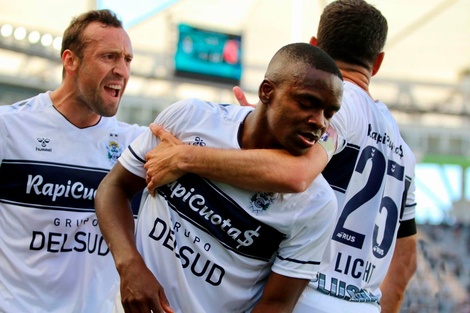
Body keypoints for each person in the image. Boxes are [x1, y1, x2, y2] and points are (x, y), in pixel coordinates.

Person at [143, 1, 417, 312]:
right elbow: (406, 261)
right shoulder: (403, 151)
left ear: (314, 47)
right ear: (378, 62)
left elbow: (296, 174)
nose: (319, 118)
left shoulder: (343, 105)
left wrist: (183, 156)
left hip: (305, 296)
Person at [94, 42, 343, 313]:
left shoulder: (317, 203)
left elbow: (276, 305)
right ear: (267, 92)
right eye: (307, 104)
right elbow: (114, 188)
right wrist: (130, 265)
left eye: (329, 114)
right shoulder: (190, 119)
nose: (319, 122)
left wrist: (185, 159)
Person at [0, 9, 146, 312]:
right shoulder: (9, 128)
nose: (122, 70)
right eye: (109, 56)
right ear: (70, 61)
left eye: (127, 59)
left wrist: (250, 125)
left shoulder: (137, 145)